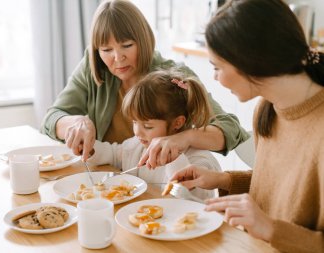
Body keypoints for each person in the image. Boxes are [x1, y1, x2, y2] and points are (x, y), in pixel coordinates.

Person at [169, 0, 324, 252]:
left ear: (252, 60)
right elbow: (275, 187)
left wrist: (272, 229)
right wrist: (222, 179)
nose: (215, 77)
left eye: (217, 67)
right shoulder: (267, 108)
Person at [40, 0, 249, 163]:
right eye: (106, 50)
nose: (117, 58)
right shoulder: (93, 67)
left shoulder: (173, 75)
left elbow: (231, 128)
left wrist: (184, 138)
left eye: (127, 45)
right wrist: (75, 123)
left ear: (144, 39)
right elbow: (51, 118)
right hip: (109, 181)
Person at [86, 70, 221, 200]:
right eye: (134, 122)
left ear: (177, 123)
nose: (137, 132)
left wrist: (174, 159)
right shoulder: (137, 145)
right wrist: (90, 148)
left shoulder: (199, 160)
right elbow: (114, 154)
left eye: (147, 126)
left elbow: (192, 199)